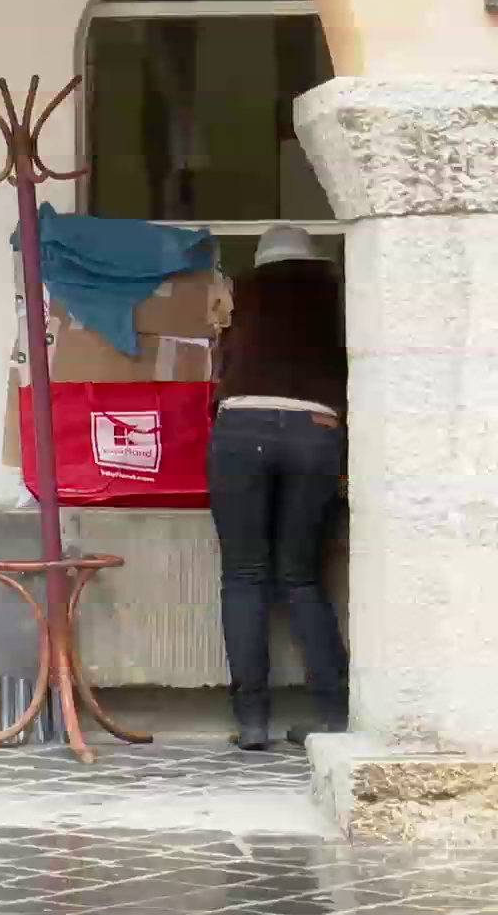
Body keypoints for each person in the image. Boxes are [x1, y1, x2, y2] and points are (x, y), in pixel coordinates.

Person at [211, 224, 349, 750]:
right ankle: (334, 716)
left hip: (241, 427)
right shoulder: (341, 292)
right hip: (315, 428)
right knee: (302, 577)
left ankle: (251, 722)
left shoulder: (238, 291)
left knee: (243, 577)